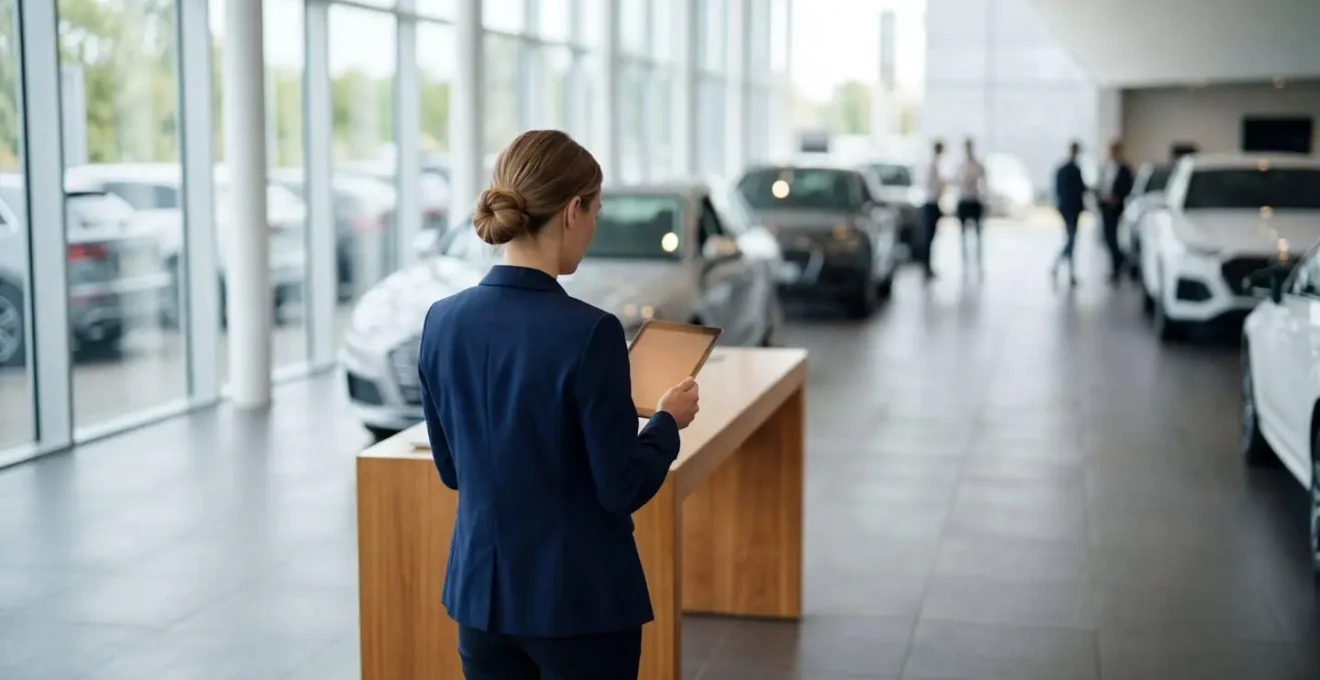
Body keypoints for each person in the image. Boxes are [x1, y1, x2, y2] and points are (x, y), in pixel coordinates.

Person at [416, 129, 702, 680]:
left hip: (482, 600)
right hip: (579, 604)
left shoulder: (441, 321)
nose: (593, 227)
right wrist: (667, 421)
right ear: (573, 210)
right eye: (595, 211)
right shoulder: (589, 333)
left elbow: (453, 471)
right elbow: (620, 487)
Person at [1098, 139, 1134, 283]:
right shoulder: (1105, 167)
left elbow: (1128, 187)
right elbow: (1102, 185)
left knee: (1112, 237)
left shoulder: (1125, 169)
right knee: (1106, 238)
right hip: (1105, 206)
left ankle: (1118, 266)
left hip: (1116, 207)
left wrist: (1117, 198)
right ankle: (1119, 262)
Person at [1052, 140, 1088, 287]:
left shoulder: (1065, 169)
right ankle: (1058, 266)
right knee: (1071, 240)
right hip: (1071, 209)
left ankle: (1068, 271)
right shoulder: (1071, 169)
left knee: (1071, 240)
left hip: (1068, 209)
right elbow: (1079, 189)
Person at [955, 137, 987, 271]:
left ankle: (978, 260)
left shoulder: (978, 165)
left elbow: (984, 183)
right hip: (964, 200)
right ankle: (965, 261)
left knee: (978, 233)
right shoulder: (961, 165)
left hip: (975, 201)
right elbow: (956, 182)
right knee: (962, 233)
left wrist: (984, 198)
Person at [919, 140, 947, 279]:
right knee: (928, 238)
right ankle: (926, 267)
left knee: (931, 238)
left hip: (933, 203)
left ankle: (927, 267)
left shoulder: (934, 165)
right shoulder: (932, 165)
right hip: (930, 204)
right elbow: (933, 186)